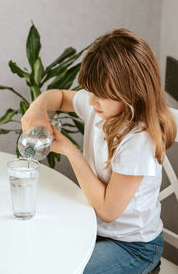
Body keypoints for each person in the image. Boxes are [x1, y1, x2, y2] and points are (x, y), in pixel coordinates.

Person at [21, 28, 177, 274]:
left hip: (134, 247)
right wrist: (37, 108)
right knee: (35, 251)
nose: (90, 101)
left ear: (130, 93)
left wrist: (70, 151)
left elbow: (108, 210)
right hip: (93, 229)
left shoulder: (139, 139)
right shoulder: (102, 106)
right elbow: (60, 97)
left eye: (100, 95)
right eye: (89, 91)